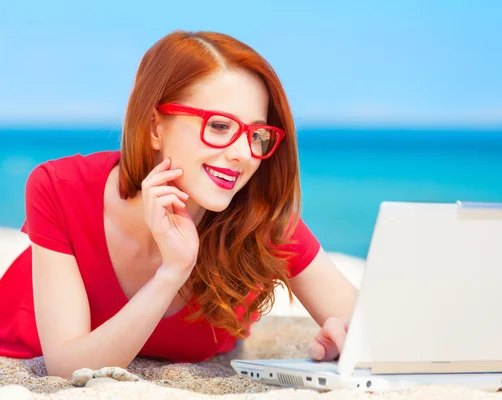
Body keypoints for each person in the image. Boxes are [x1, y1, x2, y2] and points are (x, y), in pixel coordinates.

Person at [0, 30, 357, 379]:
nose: (241, 154)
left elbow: (373, 328)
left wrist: (348, 341)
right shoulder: (61, 188)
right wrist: (171, 273)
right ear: (155, 126)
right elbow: (67, 368)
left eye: (256, 135)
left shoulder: (259, 217)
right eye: (219, 126)